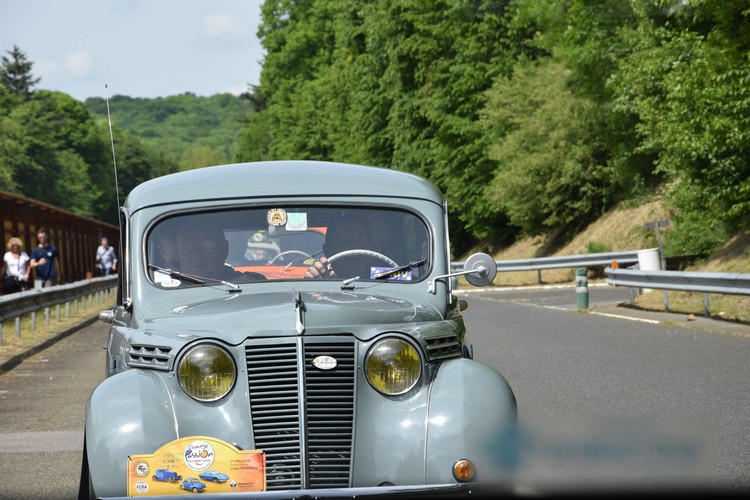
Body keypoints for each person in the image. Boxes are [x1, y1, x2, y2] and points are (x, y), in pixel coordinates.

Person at [304, 211, 392, 279]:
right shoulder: (322, 280)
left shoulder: (390, 278)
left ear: (371, 247)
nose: (351, 247)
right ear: (327, 250)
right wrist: (315, 285)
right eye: (341, 241)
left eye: (360, 240)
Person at [175, 221, 265, 283]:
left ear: (225, 249)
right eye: (187, 248)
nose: (197, 256)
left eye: (207, 245)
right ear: (178, 253)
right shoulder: (166, 286)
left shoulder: (251, 282)